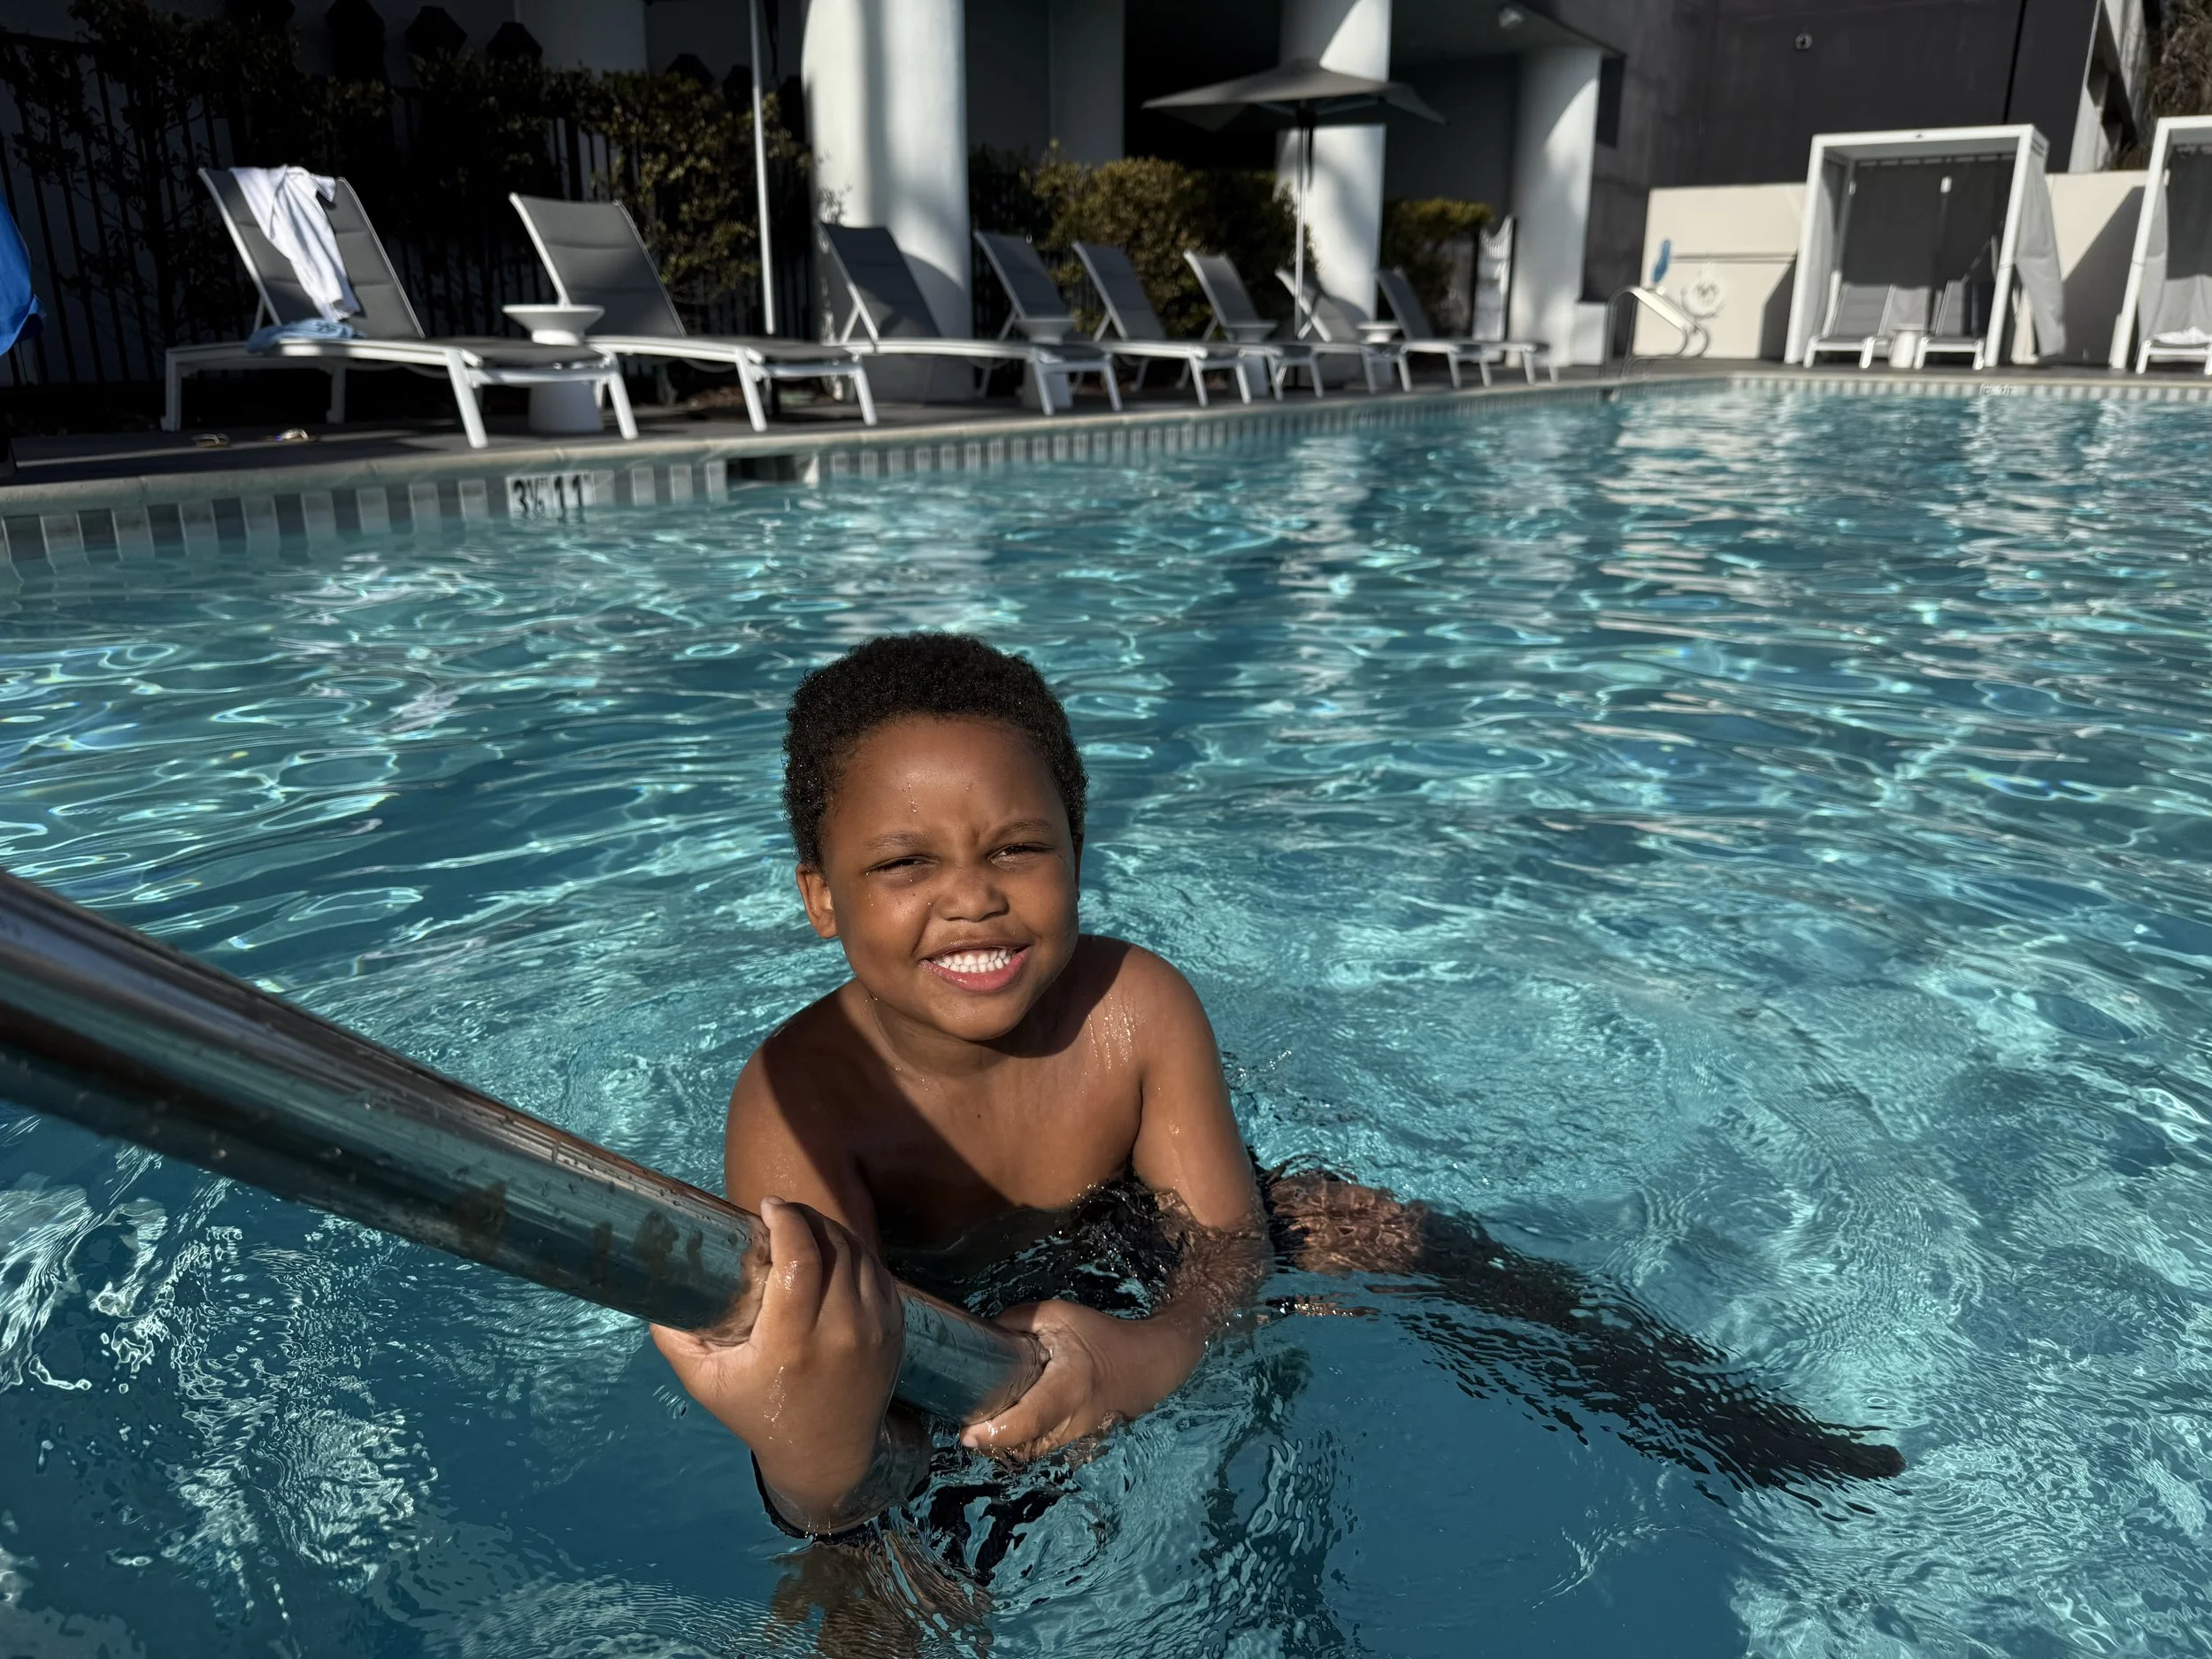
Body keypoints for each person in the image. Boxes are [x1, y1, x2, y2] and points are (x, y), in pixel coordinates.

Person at [653, 633, 1902, 1543]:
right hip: (937, 1323)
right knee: (865, 1562)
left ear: (1079, 849)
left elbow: (1232, 1244)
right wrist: (814, 1455)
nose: (972, 897)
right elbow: (826, 1361)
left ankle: (1728, 1426)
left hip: (1132, 1239)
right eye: (904, 864)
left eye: (1019, 848)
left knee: (1381, 1231)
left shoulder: (1135, 1005)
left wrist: (1154, 1353)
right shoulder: (798, 1098)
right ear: (821, 897)